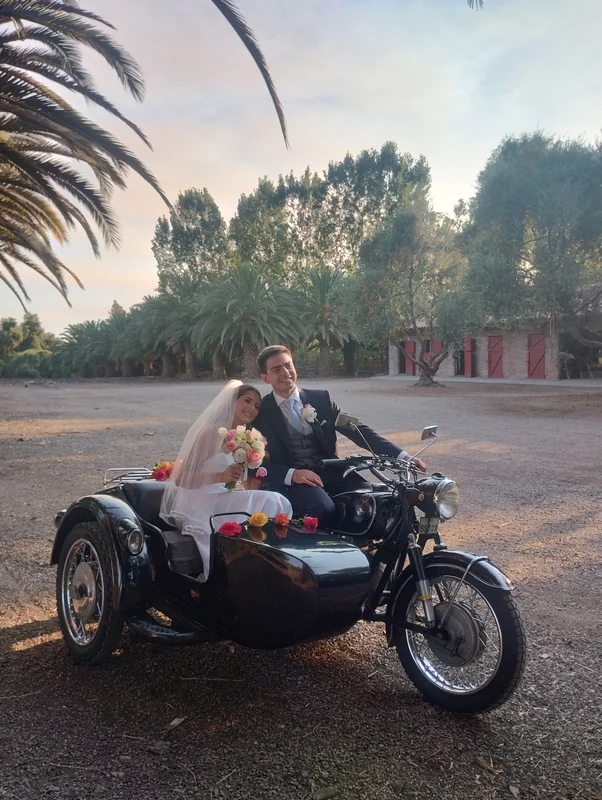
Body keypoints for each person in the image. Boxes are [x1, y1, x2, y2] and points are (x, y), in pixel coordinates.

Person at [254, 345, 426, 526]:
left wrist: (402, 456)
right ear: (265, 378)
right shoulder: (260, 413)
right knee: (324, 509)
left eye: (288, 365)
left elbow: (357, 430)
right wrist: (292, 474)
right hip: (295, 482)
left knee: (375, 502)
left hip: (332, 472)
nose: (285, 372)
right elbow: (253, 464)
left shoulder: (321, 399)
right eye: (276, 370)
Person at [160, 380, 292, 580]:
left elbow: (246, 485)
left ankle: (268, 564)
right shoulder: (211, 432)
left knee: (273, 499)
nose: (252, 408)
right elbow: (181, 478)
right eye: (247, 401)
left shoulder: (246, 439)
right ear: (232, 402)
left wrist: (258, 472)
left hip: (222, 497)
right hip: (199, 500)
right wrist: (220, 477)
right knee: (273, 500)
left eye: (257, 406)